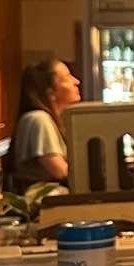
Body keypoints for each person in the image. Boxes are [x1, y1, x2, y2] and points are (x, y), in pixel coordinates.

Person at [12, 56, 81, 189]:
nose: (76, 81)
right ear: (50, 92)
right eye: (67, 77)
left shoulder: (45, 119)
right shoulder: (39, 119)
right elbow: (60, 172)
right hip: (45, 200)